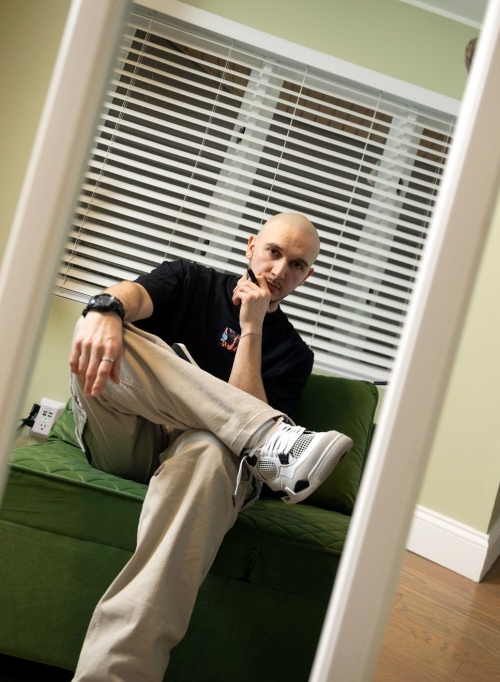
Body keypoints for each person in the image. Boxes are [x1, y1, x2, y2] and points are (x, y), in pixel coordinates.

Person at [67, 212, 352, 681]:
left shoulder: (293, 353)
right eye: (274, 253)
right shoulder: (189, 278)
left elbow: (235, 441)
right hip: (125, 433)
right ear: (251, 246)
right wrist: (102, 307)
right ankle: (269, 435)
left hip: (196, 461)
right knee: (120, 330)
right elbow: (135, 296)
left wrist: (252, 327)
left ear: (309, 275)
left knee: (211, 449)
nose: (281, 271)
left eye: (298, 265)